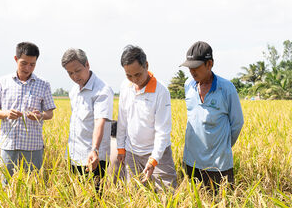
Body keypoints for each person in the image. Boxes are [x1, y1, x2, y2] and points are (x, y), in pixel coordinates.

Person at [0, 42, 56, 186]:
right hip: (9, 145)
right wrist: (6, 113)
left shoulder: (43, 84)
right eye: (24, 63)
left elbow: (50, 113)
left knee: (34, 186)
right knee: (6, 185)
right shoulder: (3, 82)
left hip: (33, 146)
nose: (28, 68)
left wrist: (40, 116)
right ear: (15, 59)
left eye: (32, 64)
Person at [180, 41, 244, 189]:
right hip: (191, 162)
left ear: (209, 64)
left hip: (218, 166)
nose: (192, 71)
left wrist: (223, 147)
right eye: (190, 67)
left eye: (196, 67)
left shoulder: (226, 88)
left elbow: (237, 123)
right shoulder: (188, 85)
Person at [116, 45, 178, 190]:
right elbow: (123, 121)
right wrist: (120, 148)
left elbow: (163, 130)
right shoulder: (125, 87)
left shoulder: (161, 91)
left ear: (146, 65)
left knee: (166, 193)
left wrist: (154, 159)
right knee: (134, 193)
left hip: (158, 153)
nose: (133, 79)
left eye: (137, 74)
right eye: (129, 75)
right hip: (132, 152)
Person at [61, 48, 114, 191]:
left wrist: (94, 149)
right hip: (74, 154)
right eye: (70, 73)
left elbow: (100, 121)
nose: (74, 76)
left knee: (94, 198)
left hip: (92, 157)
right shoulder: (74, 90)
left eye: (77, 70)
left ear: (87, 65)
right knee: (76, 196)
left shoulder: (102, 90)